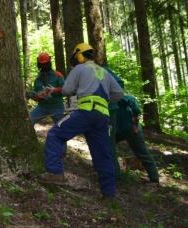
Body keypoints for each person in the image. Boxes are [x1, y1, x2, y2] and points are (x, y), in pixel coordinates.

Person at [38, 43, 124, 198]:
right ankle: (109, 193)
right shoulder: (104, 72)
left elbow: (66, 90)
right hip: (103, 117)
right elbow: (118, 94)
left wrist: (81, 91)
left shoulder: (79, 69)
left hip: (85, 112)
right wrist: (102, 100)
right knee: (103, 154)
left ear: (79, 55)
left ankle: (55, 173)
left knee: (55, 134)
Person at [115, 93, 159, 184]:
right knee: (143, 153)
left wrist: (135, 125)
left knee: (143, 153)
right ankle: (115, 175)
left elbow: (137, 112)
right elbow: (137, 112)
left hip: (128, 130)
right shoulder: (129, 98)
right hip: (127, 130)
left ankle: (154, 179)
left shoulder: (112, 99)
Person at [27, 52, 65, 125]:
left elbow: (65, 90)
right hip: (42, 107)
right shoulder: (37, 79)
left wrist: (54, 90)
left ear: (49, 63)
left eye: (46, 63)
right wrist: (36, 96)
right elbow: (37, 96)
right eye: (42, 64)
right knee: (29, 121)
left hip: (57, 106)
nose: (44, 66)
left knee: (60, 126)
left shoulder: (58, 75)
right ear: (39, 65)